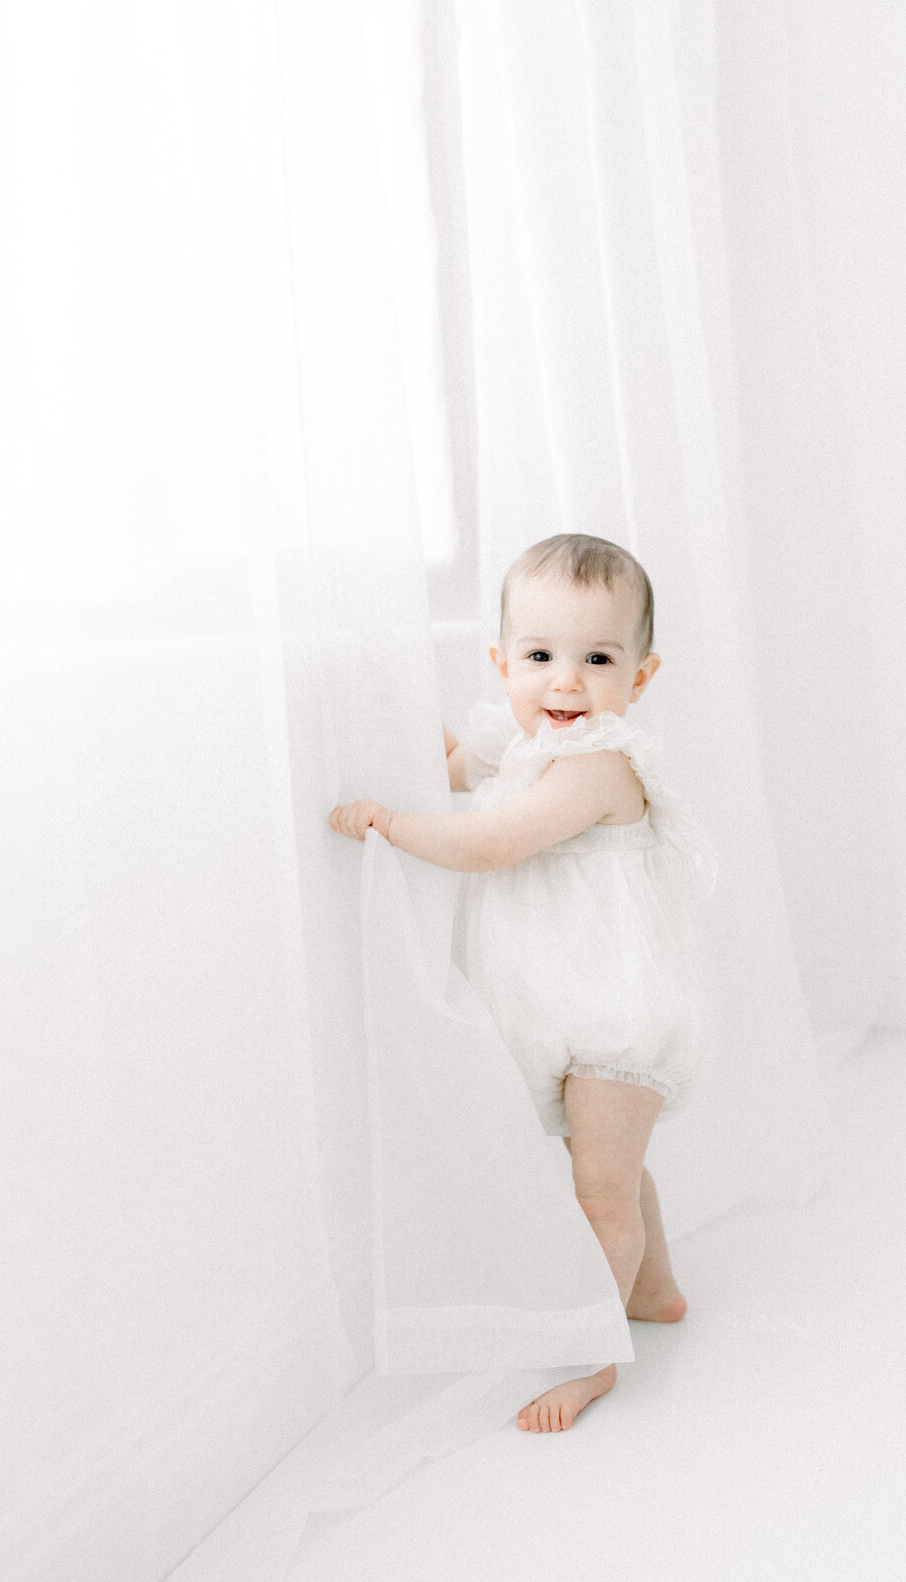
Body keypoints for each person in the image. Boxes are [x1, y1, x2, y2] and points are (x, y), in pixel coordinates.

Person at [329, 533, 714, 1432]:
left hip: (617, 1011)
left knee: (598, 1189)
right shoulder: (524, 744)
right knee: (611, 1167)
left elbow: (494, 843)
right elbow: (457, 767)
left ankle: (592, 1356)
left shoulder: (600, 765)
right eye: (540, 657)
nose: (566, 683)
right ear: (504, 662)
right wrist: (390, 717)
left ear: (642, 675)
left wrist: (391, 822)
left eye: (597, 659)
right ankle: (654, 1290)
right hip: (568, 1003)